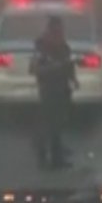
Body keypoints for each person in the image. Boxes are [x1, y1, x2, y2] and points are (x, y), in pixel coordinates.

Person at [30, 16, 78, 170]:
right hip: (48, 90)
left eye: (61, 29)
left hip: (62, 89)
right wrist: (56, 68)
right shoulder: (42, 47)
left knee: (58, 124)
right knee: (47, 125)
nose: (59, 32)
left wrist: (73, 78)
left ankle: (58, 158)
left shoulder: (63, 46)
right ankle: (42, 157)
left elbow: (68, 64)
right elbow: (35, 69)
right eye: (56, 29)